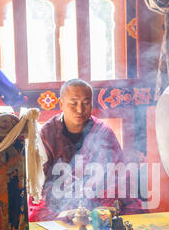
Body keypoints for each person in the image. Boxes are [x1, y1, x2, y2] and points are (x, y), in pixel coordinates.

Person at [28, 79, 141, 221]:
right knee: (38, 217)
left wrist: (102, 205)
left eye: (86, 103)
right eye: (73, 103)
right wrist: (64, 210)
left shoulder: (103, 133)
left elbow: (120, 175)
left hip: (97, 202)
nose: (80, 110)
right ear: (61, 104)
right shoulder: (46, 135)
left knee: (127, 212)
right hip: (59, 205)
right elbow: (38, 184)